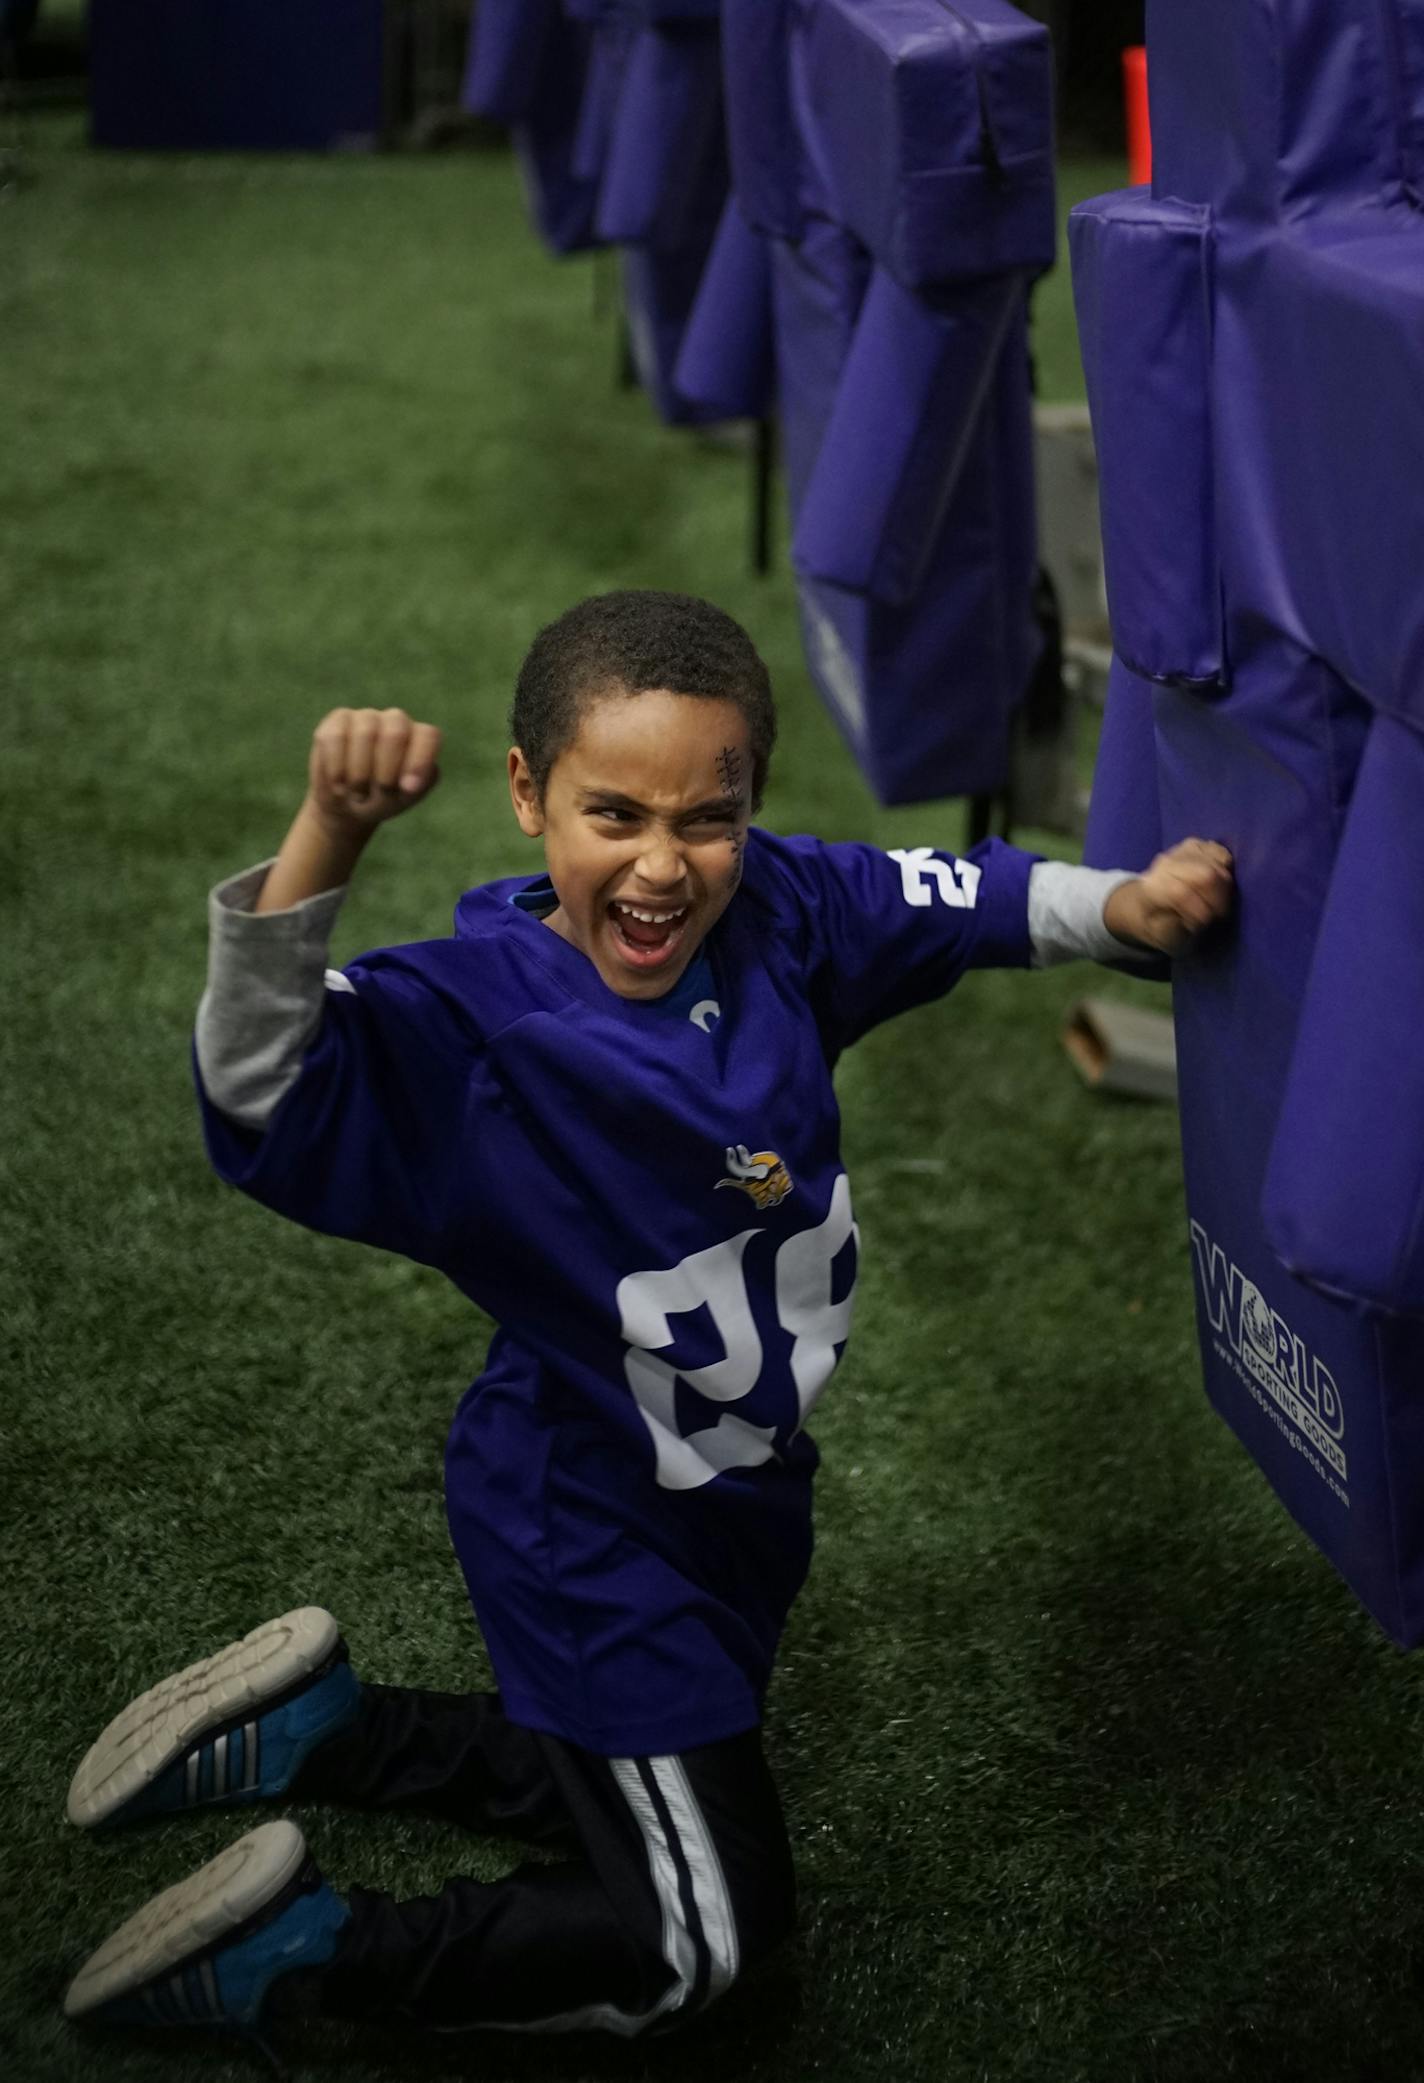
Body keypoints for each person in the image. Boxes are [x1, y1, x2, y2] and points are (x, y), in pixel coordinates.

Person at [62, 591, 1234, 2055]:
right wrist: (331, 837)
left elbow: (949, 894)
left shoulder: (780, 913)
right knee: (709, 1951)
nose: (664, 867)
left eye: (710, 817)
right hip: (586, 1514)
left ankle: (330, 1730)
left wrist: (1118, 908)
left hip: (731, 1499)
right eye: (612, 815)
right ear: (525, 795)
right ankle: (304, 1957)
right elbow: (256, 1088)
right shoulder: (477, 1025)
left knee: (664, 1782)